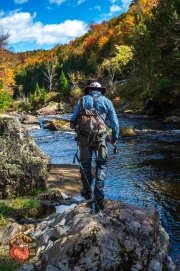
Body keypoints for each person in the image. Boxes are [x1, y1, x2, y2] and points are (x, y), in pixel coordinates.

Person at [70, 82, 119, 209]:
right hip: (101, 138)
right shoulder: (107, 101)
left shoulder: (82, 100)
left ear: (90, 89)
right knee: (101, 165)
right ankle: (99, 194)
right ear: (100, 90)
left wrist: (77, 128)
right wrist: (114, 139)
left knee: (85, 165)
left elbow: (73, 119)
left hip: (84, 139)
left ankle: (87, 193)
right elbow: (115, 123)